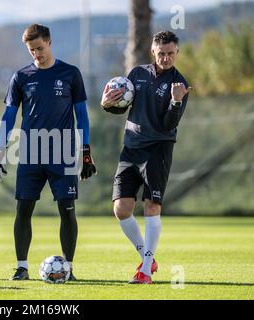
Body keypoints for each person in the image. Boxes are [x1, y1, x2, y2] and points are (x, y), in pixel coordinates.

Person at [0, 24, 97, 281]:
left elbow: (81, 115)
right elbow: (8, 115)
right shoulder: (21, 77)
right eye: (31, 51)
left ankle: (68, 269)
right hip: (30, 153)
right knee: (23, 209)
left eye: (39, 48)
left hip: (63, 153)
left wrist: (85, 152)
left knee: (67, 208)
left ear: (49, 42)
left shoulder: (70, 73)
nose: (36, 54)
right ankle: (22, 267)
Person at [101, 31, 191, 284]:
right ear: (153, 51)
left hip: (158, 149)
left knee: (152, 206)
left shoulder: (180, 84)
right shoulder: (136, 74)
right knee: (121, 209)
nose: (165, 58)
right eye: (161, 53)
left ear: (177, 52)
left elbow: (167, 125)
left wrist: (175, 102)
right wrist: (106, 103)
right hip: (130, 148)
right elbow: (120, 108)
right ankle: (147, 257)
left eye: (170, 53)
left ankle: (145, 270)